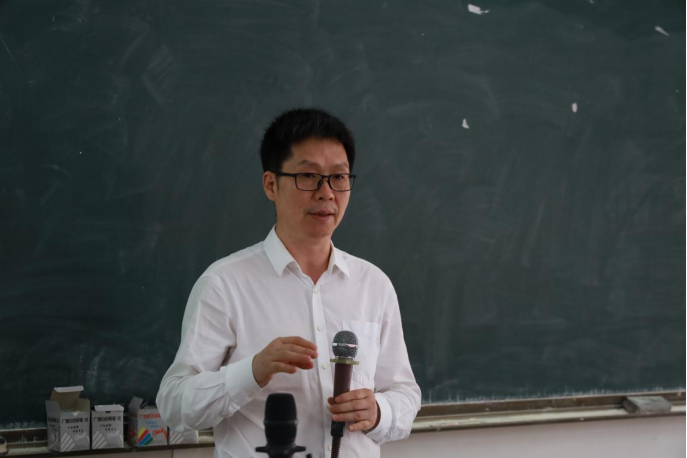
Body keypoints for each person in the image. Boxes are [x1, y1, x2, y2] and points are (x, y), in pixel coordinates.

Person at [157, 108, 421, 457]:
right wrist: (251, 372)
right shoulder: (224, 284)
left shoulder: (373, 284)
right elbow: (174, 405)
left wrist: (379, 411)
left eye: (338, 177)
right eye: (309, 176)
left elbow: (404, 393)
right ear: (271, 184)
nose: (326, 193)